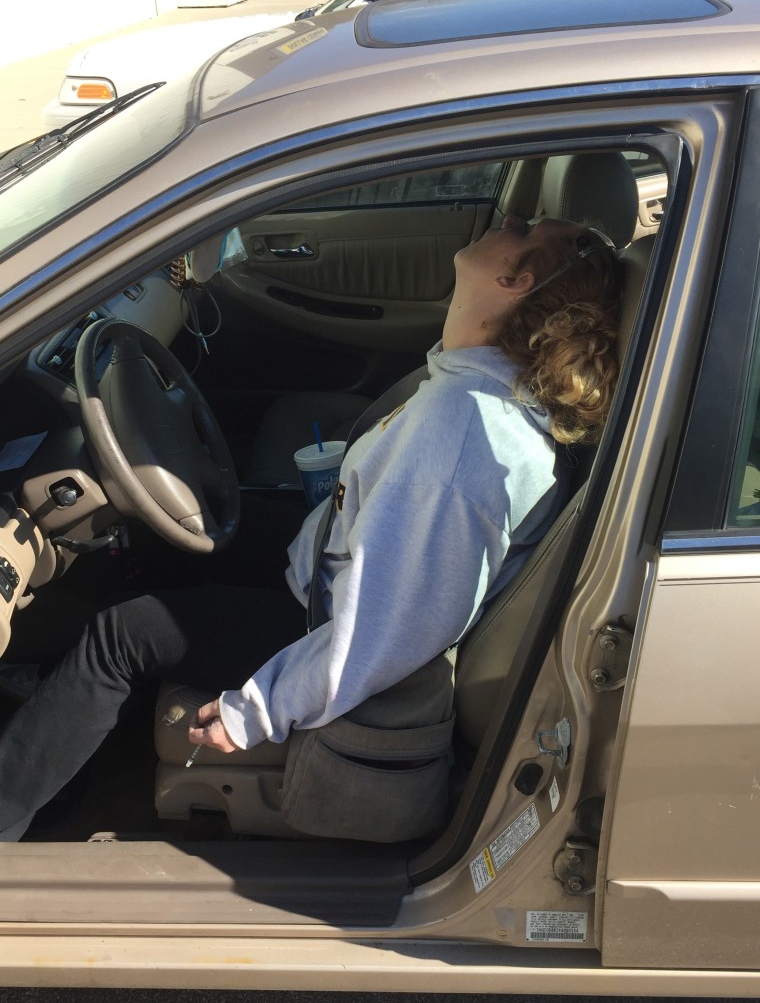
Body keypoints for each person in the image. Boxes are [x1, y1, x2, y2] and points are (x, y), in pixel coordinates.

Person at [0, 214, 621, 842]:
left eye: (523, 228)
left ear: (514, 280)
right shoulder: (472, 390)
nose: (509, 217)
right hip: (331, 573)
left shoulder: (456, 440)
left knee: (120, 636)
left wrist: (258, 708)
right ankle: (62, 725)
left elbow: (387, 635)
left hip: (332, 627)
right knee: (164, 539)